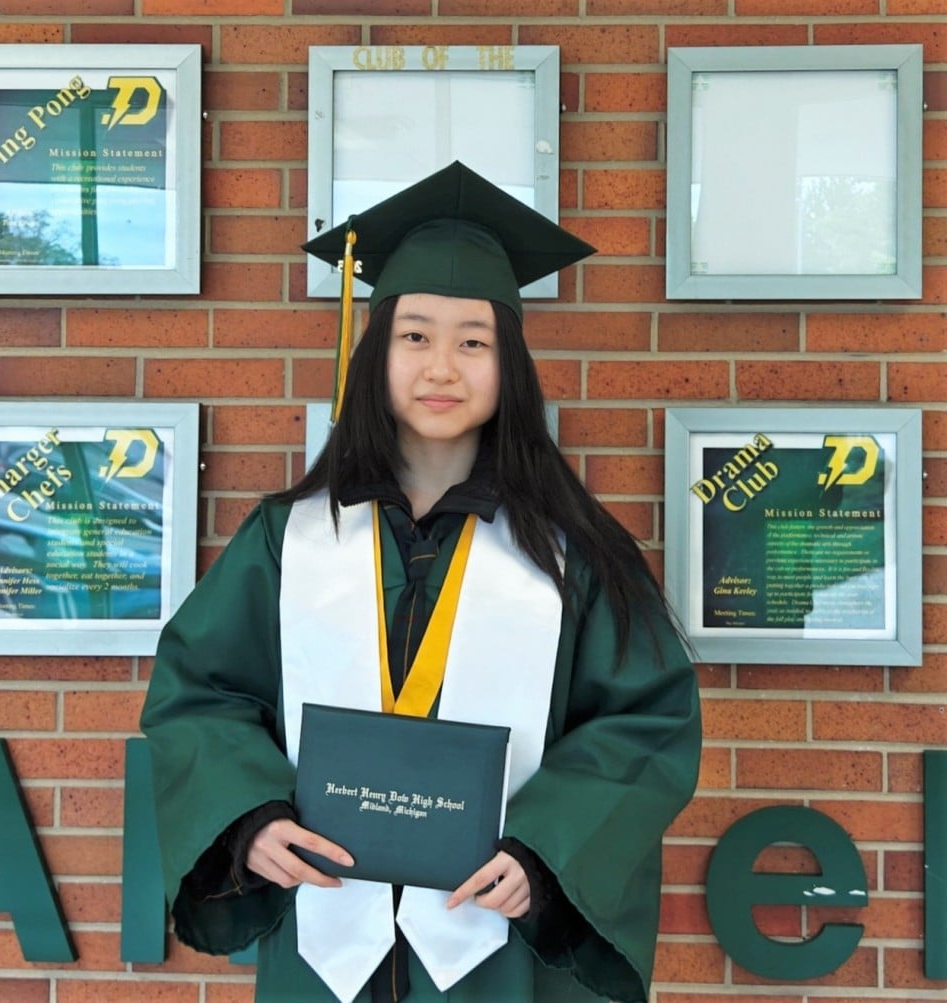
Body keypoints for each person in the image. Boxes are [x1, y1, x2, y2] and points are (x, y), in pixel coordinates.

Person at [140, 161, 702, 1003]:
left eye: (472, 340)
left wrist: (546, 852)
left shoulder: (570, 551)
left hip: (498, 945)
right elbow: (200, 692)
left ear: (509, 361)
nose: (443, 366)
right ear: (375, 354)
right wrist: (248, 820)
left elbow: (644, 722)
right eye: (415, 336)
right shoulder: (292, 538)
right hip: (330, 940)